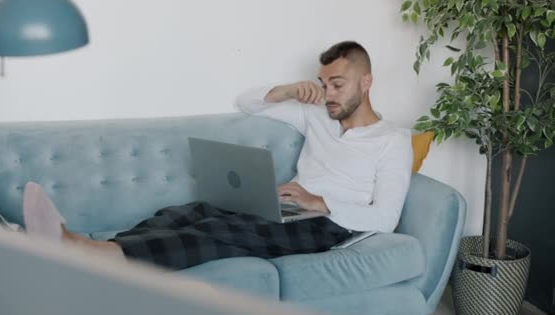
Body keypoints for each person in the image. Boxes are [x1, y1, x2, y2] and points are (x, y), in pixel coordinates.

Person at [23, 41, 413, 270]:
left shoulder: (392, 141)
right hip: (291, 207)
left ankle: (94, 254)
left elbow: (386, 218)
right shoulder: (319, 118)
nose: (327, 94)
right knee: (188, 212)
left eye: (338, 85)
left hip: (330, 224)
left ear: (366, 82)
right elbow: (247, 103)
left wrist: (320, 201)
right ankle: (91, 250)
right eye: (323, 83)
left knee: (217, 233)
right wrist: (289, 90)